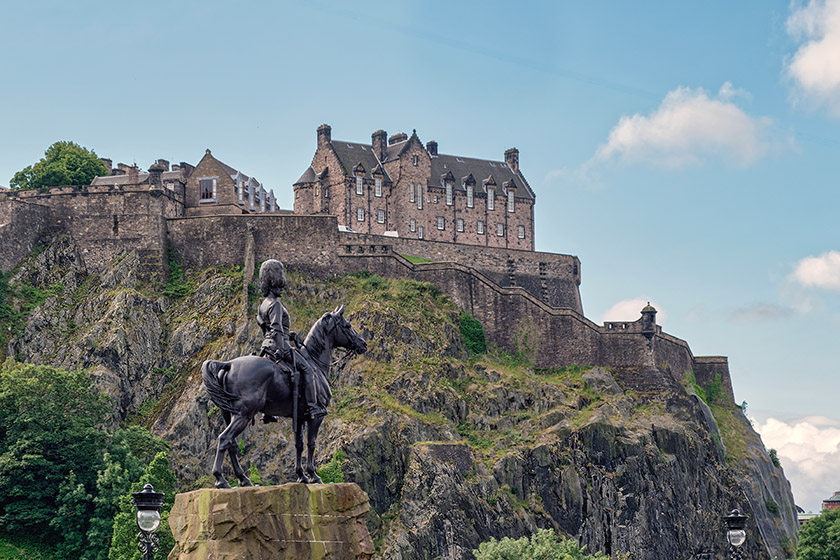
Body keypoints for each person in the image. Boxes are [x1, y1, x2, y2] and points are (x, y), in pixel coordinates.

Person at [256, 259, 327, 421]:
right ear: (274, 283)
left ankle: (268, 412)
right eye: (280, 286)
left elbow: (266, 329)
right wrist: (284, 347)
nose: (282, 289)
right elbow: (276, 329)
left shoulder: (263, 305)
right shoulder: (276, 305)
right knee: (309, 369)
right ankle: (313, 407)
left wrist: (291, 335)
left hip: (266, 346)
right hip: (278, 346)